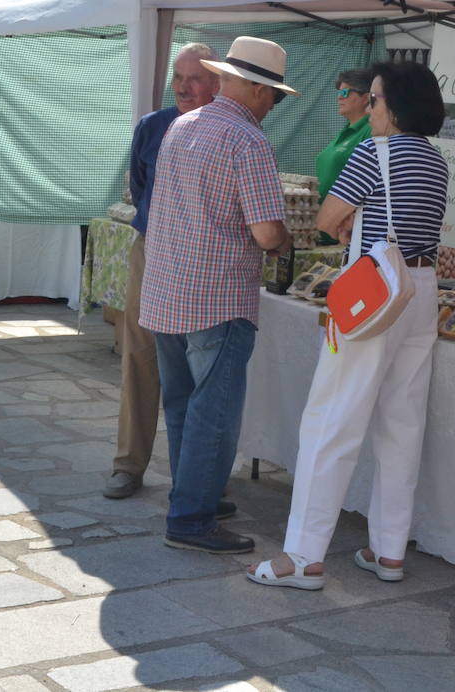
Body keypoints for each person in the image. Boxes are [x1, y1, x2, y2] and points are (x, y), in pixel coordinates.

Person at [248, 61, 448, 591]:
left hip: (375, 294)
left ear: (394, 107)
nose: (371, 109)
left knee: (330, 421)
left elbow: (325, 217)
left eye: (376, 100)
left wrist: (351, 221)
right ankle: (388, 552)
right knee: (401, 423)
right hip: (421, 292)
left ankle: (303, 556)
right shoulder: (435, 159)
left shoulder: (373, 152)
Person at [139, 36, 295, 555]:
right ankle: (191, 517)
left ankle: (192, 497)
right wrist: (288, 239)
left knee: (185, 406)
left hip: (166, 289)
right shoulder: (247, 142)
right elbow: (268, 233)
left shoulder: (182, 126)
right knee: (214, 413)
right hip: (218, 296)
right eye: (272, 93)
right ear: (252, 89)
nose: (273, 103)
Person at [103, 42, 219, 500]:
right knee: (140, 355)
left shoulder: (227, 130)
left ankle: (193, 478)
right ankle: (129, 464)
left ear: (217, 83)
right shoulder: (152, 127)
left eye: (196, 78)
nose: (185, 87)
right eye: (178, 77)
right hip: (152, 250)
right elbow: (139, 188)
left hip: (204, 259)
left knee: (198, 367)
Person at [314, 68, 373, 198]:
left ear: (365, 98)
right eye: (339, 92)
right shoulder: (346, 131)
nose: (339, 97)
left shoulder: (370, 130)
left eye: (345, 92)